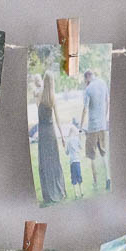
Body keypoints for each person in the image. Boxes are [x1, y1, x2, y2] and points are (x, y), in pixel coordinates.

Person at [36, 72, 66, 203]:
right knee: (54, 161)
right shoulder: (52, 98)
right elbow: (58, 120)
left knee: (44, 162)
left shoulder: (38, 95)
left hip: (42, 132)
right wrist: (62, 136)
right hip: (51, 132)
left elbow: (39, 113)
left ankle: (47, 194)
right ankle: (59, 190)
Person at [79, 69, 110, 191]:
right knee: (104, 153)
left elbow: (85, 109)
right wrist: (105, 116)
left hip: (92, 127)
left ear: (87, 78)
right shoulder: (103, 83)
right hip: (102, 125)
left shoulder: (88, 89)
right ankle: (108, 178)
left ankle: (95, 181)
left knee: (91, 155)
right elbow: (107, 100)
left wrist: (81, 127)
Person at [65, 120, 84, 198]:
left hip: (72, 162)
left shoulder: (68, 141)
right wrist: (80, 137)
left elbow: (67, 153)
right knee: (79, 176)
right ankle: (81, 191)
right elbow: (81, 147)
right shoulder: (77, 139)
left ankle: (76, 193)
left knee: (73, 178)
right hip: (77, 161)